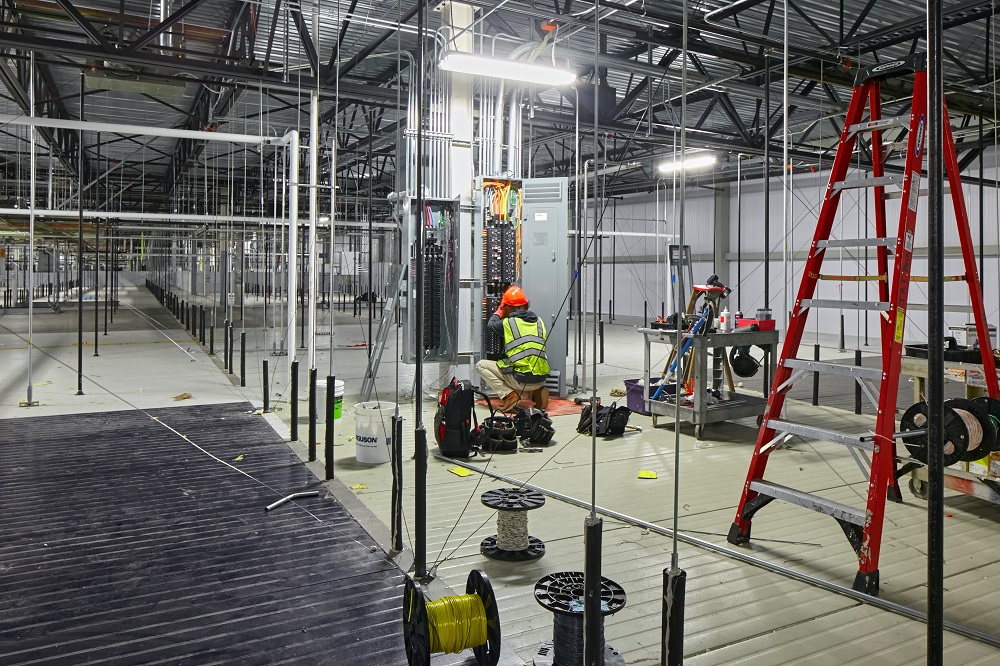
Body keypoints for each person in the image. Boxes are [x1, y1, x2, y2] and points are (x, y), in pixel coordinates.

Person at [476, 285, 550, 412]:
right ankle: (537, 392)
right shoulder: (539, 322)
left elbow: (491, 324)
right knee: (522, 370)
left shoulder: (508, 323)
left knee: (481, 365)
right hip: (541, 378)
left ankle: (509, 396)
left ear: (507, 307)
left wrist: (498, 311)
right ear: (526, 306)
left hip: (521, 379)